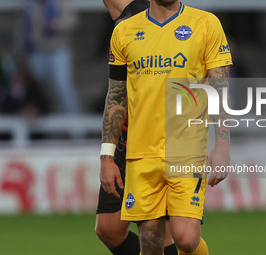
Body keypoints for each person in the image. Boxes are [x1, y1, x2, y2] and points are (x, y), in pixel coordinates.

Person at [100, 0, 232, 254]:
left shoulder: (206, 24)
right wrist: (107, 155)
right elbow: (115, 96)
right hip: (141, 154)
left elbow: (220, 88)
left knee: (185, 239)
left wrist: (223, 143)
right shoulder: (125, 30)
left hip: (186, 150)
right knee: (150, 244)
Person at [95, 1, 178, 254]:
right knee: (108, 229)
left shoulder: (164, 14)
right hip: (127, 137)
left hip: (161, 139)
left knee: (159, 236)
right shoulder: (128, 16)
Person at [21, 0, 80, 114]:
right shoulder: (29, 5)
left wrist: (56, 24)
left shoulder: (60, 3)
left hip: (58, 51)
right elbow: (24, 29)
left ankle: (74, 122)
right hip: (37, 52)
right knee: (39, 88)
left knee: (63, 86)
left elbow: (73, 21)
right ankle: (45, 115)